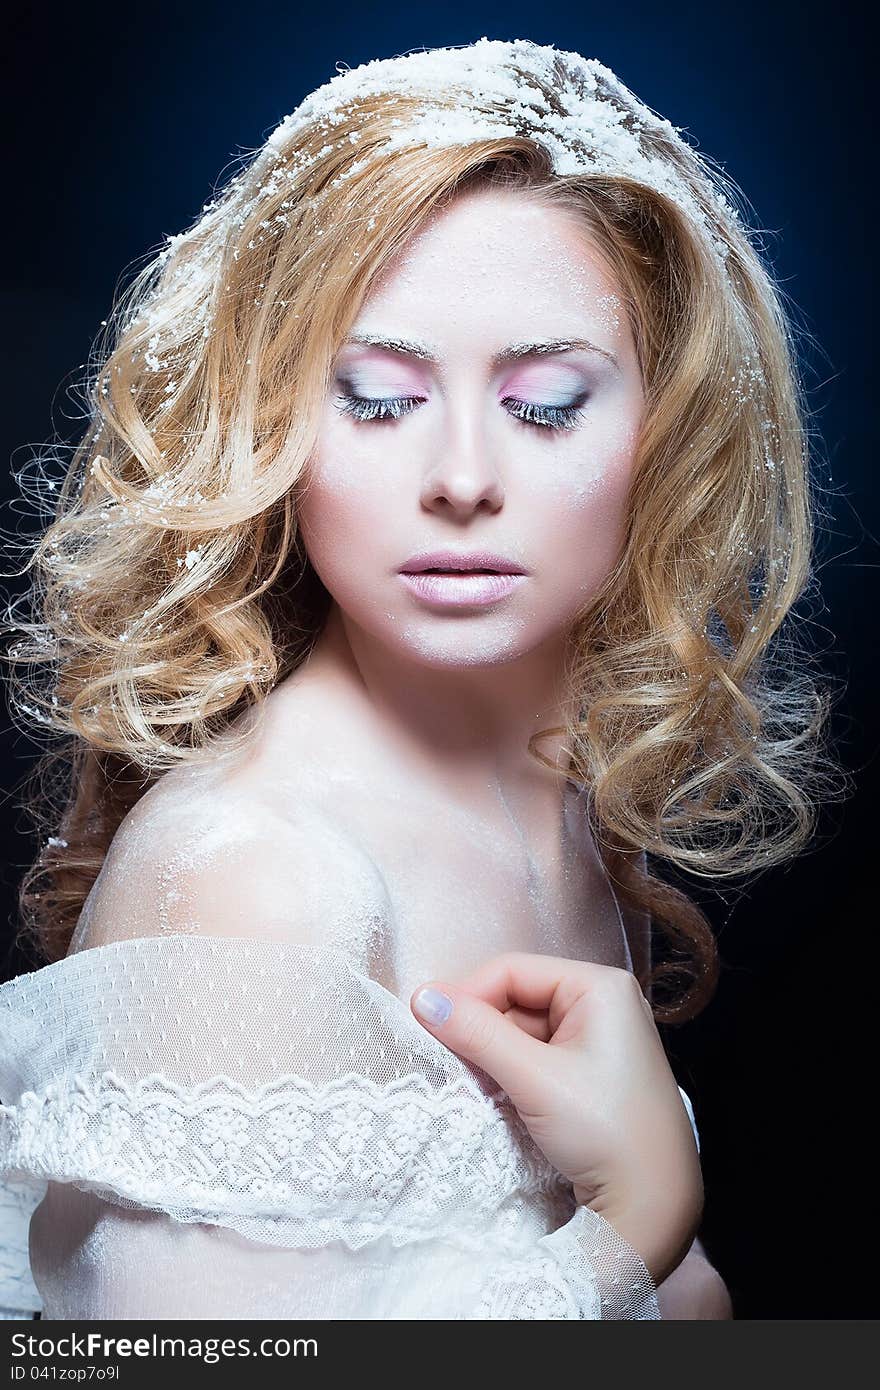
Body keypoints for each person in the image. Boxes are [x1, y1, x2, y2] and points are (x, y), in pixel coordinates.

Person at [0, 36, 832, 1319]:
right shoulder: (264, 880)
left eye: (546, 401)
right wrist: (634, 1234)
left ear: (664, 432)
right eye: (378, 397)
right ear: (270, 421)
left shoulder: (548, 795)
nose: (460, 474)